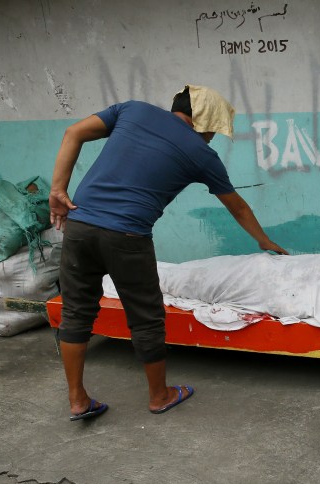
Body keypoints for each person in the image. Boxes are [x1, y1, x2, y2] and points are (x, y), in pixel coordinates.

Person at [49, 84, 287, 421]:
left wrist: (58, 189)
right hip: (127, 236)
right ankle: (160, 396)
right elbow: (237, 208)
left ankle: (77, 399)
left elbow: (73, 132)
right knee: (146, 317)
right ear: (201, 122)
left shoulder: (133, 110)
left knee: (76, 312)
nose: (212, 139)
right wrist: (264, 241)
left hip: (79, 225)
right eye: (213, 131)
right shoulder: (202, 154)